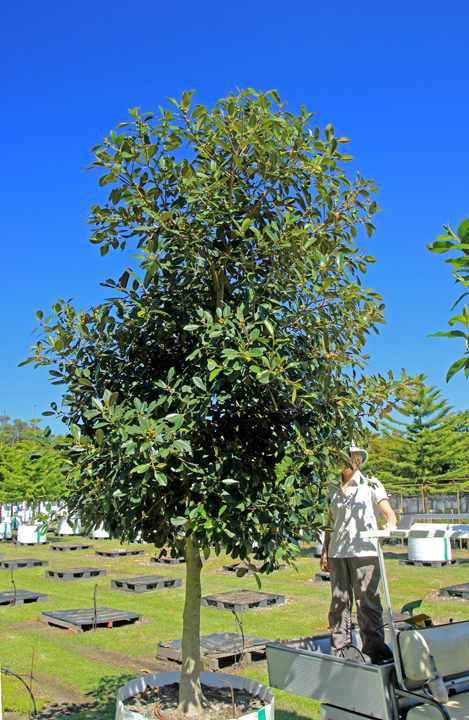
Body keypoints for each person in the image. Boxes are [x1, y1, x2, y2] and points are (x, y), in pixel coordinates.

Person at [320, 445, 397, 662]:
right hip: (337, 554)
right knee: (338, 604)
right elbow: (330, 521)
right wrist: (325, 550)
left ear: (358, 460)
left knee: (368, 604)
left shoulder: (371, 484)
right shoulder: (332, 487)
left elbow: (389, 514)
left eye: (350, 456)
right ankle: (340, 653)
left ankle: (374, 654)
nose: (345, 460)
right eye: (341, 456)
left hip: (364, 553)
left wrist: (389, 527)